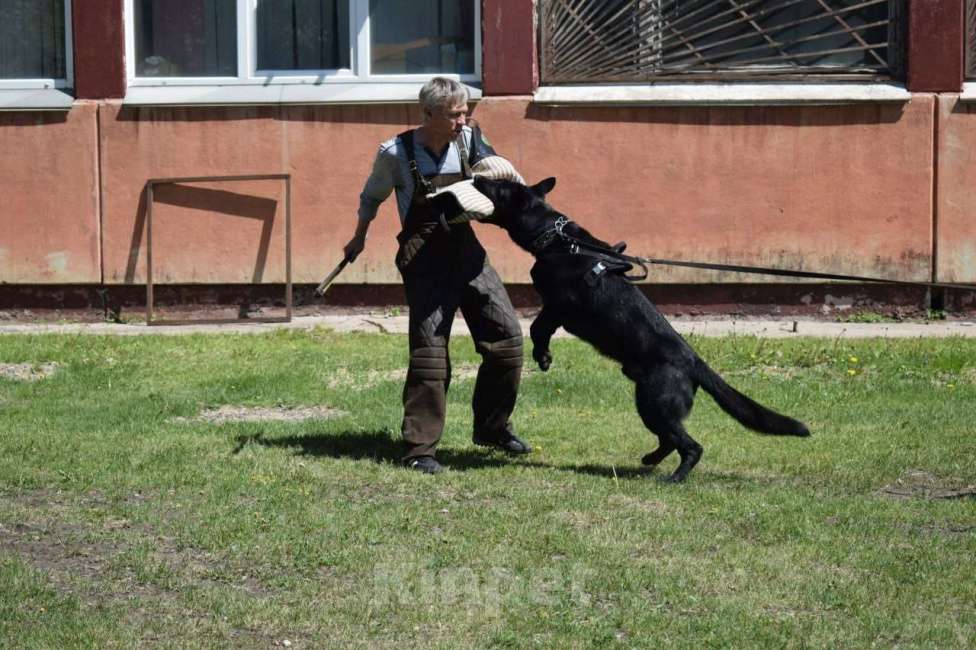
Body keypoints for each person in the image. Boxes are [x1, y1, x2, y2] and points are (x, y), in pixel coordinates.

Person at [343, 77, 531, 474]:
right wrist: (358, 238)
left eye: (465, 112)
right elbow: (370, 197)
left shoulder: (468, 140)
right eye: (454, 114)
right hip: (423, 257)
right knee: (430, 355)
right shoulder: (395, 153)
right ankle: (419, 450)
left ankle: (493, 428)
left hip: (467, 253)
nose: (463, 120)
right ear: (427, 114)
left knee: (508, 339)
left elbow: (498, 178)